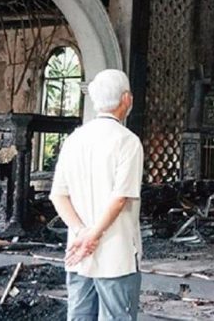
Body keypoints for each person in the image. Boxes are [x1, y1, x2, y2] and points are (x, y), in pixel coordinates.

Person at [50, 69, 143, 321]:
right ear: (126, 99)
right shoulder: (128, 141)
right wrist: (94, 235)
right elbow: (120, 197)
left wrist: (82, 233)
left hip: (79, 254)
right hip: (116, 256)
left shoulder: (74, 139)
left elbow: (58, 195)